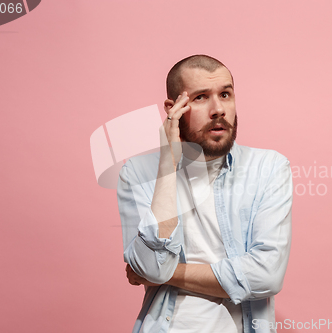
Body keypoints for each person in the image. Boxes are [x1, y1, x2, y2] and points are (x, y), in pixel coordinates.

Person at [117, 54, 293, 333]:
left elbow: (267, 275)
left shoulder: (269, 168)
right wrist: (167, 165)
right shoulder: (138, 173)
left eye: (225, 94)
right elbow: (150, 265)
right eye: (200, 97)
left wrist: (166, 274)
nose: (218, 109)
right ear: (173, 108)